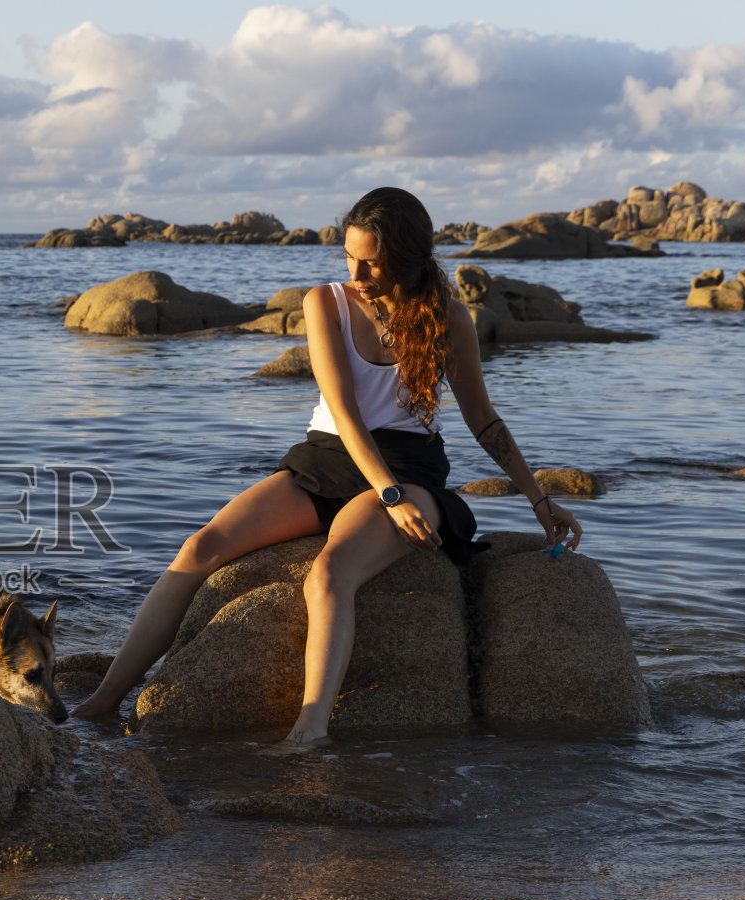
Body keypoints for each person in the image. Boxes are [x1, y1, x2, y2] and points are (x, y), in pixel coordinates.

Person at [71, 187, 582, 745]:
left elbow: (483, 419)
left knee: (330, 574)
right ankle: (101, 703)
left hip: (409, 468)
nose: (357, 273)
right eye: (349, 257)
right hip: (328, 459)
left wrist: (538, 499)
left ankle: (308, 733)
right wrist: (388, 495)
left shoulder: (448, 318)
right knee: (199, 549)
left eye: (372, 263)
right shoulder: (327, 302)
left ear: (408, 261)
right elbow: (342, 409)